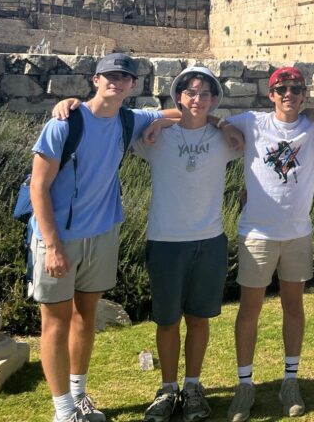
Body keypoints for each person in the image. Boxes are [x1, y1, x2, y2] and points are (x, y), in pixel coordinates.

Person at [29, 53, 165, 422]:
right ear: (95, 79)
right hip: (58, 236)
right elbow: (38, 188)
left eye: (124, 77)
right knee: (55, 322)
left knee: (85, 317)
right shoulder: (64, 122)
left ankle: (78, 397)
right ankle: (63, 412)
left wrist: (157, 126)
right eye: (110, 76)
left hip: (102, 234)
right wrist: (53, 246)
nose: (116, 82)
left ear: (133, 86)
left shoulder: (129, 120)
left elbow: (177, 113)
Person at [134, 67, 239, 422]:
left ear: (214, 100)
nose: (198, 99)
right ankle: (167, 388)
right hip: (166, 241)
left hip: (209, 241)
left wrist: (223, 124)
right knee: (167, 321)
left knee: (198, 319)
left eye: (206, 94)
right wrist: (162, 119)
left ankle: (193, 386)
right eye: (191, 92)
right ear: (179, 95)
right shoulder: (155, 137)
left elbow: (257, 134)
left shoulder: (223, 139)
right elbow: (115, 115)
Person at [220, 67, 314, 422]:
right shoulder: (252, 122)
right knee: (250, 311)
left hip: (297, 233)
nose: (288, 94)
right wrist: (224, 129)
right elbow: (212, 119)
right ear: (271, 93)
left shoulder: (312, 126)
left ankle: (290, 381)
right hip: (257, 234)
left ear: (304, 93)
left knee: (294, 307)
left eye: (296, 89)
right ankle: (244, 384)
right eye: (282, 89)